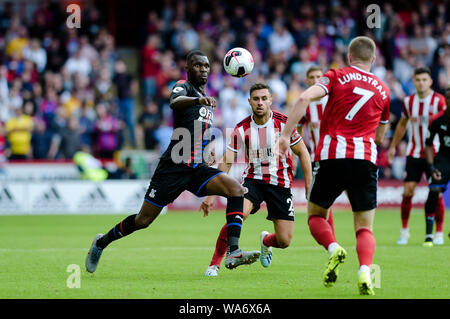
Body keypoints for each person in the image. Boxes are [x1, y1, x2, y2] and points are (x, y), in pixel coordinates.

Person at [86, 50, 259, 274]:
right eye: (198, 66)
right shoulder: (184, 88)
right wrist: (198, 99)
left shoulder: (206, 99)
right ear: (188, 69)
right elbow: (175, 102)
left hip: (197, 167)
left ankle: (234, 251)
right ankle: (101, 242)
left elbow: (199, 130)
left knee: (236, 190)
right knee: (143, 220)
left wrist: (208, 150)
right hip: (173, 167)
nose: (203, 70)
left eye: (206, 66)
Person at [278, 36, 390, 295]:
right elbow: (381, 138)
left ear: (349, 57)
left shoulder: (337, 75)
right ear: (373, 60)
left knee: (316, 216)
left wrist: (285, 136)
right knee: (364, 227)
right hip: (365, 158)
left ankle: (333, 247)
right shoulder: (383, 90)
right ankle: (364, 271)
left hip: (332, 156)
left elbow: (305, 98)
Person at [201, 83, 312, 277]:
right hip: (253, 181)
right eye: (256, 99)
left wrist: (310, 185)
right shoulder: (242, 128)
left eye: (263, 98)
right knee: (236, 216)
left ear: (270, 100)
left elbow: (303, 152)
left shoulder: (284, 123)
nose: (260, 103)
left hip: (280, 184)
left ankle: (266, 242)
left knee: (284, 241)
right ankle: (214, 265)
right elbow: (226, 161)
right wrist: (211, 195)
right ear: (249, 101)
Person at [387, 67, 446, 245]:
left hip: (435, 153)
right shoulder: (408, 101)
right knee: (408, 191)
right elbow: (402, 125)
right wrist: (392, 147)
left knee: (436, 193)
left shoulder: (439, 101)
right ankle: (404, 231)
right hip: (413, 153)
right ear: (413, 81)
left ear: (430, 82)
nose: (421, 83)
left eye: (424, 80)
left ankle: (439, 233)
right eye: (418, 80)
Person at [296, 66, 335, 236]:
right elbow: (297, 133)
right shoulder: (305, 105)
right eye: (311, 77)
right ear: (307, 81)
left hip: (334, 155)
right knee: (322, 199)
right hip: (316, 158)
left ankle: (330, 237)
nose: (315, 80)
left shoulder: (333, 101)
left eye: (319, 76)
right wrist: (294, 155)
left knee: (326, 198)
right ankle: (330, 237)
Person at [423, 88, 450, 246]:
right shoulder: (437, 119)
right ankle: (429, 235)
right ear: (445, 100)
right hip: (444, 159)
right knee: (434, 191)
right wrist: (432, 167)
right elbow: (428, 145)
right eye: (448, 97)